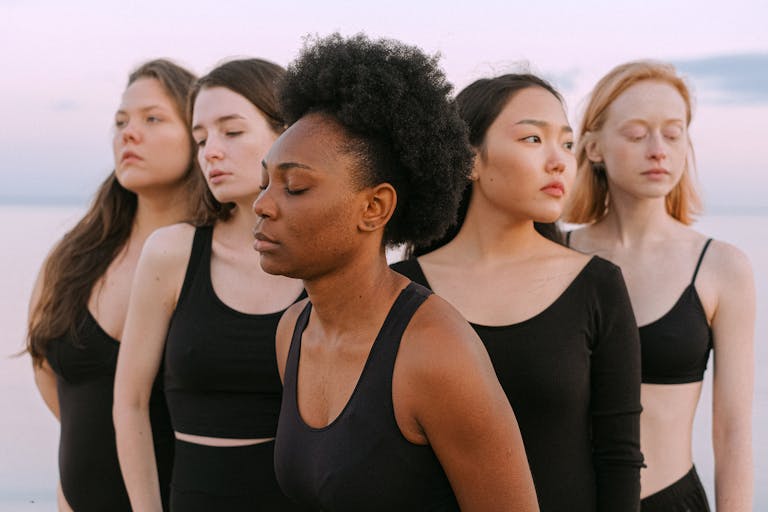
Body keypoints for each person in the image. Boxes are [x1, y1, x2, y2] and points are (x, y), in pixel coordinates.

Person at [254, 33, 539, 512]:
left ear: (375, 206)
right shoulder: (293, 332)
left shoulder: (435, 351)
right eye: (265, 182)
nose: (262, 205)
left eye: (295, 187)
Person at [392, 73, 644, 511]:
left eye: (566, 144)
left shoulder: (597, 285)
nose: (560, 161)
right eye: (532, 139)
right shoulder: (400, 289)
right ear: (469, 159)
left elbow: (619, 456)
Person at [113, 58, 306, 511]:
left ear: (288, 134)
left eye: (231, 132)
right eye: (201, 139)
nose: (211, 152)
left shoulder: (326, 262)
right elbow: (130, 402)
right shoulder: (171, 253)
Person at [564, 60, 754, 512]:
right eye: (636, 134)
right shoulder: (554, 253)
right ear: (592, 147)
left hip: (673, 501)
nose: (658, 150)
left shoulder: (721, 267)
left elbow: (732, 433)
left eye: (673, 134)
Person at [26, 59, 203, 511]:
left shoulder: (222, 257)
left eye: (153, 119)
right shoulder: (74, 257)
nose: (128, 133)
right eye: (121, 121)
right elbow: (53, 379)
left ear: (198, 135)